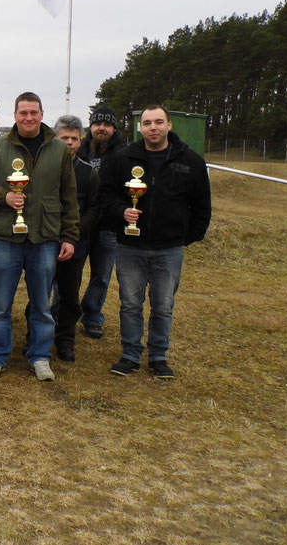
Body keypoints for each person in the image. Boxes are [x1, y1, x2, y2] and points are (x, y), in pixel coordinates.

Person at [0, 92, 79, 382]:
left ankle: (40, 355)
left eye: (33, 112)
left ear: (42, 114)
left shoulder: (59, 149)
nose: (28, 118)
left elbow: (69, 196)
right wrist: (4, 196)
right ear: (15, 115)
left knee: (42, 304)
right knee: (0, 303)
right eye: (23, 113)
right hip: (5, 236)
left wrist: (69, 235)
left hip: (45, 237)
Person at [101, 105, 211, 379]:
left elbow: (201, 204)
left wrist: (187, 236)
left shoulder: (191, 161)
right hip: (130, 246)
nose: (153, 127)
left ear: (169, 125)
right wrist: (120, 212)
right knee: (130, 303)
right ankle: (130, 355)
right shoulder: (124, 158)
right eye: (148, 122)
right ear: (140, 127)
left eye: (159, 122)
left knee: (163, 305)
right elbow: (105, 195)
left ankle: (159, 357)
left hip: (169, 248)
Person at [49, 115, 100, 362]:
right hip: (44, 243)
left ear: (80, 142)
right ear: (55, 138)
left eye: (74, 138)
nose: (69, 142)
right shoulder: (42, 169)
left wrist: (73, 235)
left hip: (74, 247)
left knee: (69, 297)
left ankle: (65, 340)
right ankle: (36, 336)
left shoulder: (89, 173)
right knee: (39, 295)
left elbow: (93, 210)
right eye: (64, 138)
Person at [76, 104, 128, 339]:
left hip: (108, 225)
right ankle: (61, 312)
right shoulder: (78, 149)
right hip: (79, 223)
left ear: (114, 129)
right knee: (68, 273)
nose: (102, 128)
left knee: (102, 275)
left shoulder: (124, 154)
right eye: (98, 123)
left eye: (107, 124)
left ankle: (92, 315)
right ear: (91, 126)